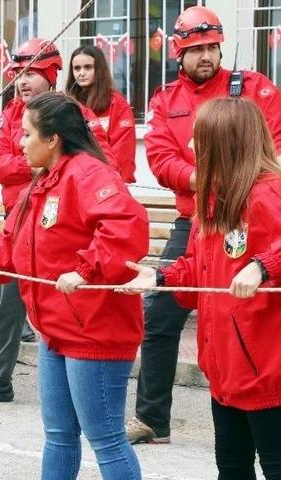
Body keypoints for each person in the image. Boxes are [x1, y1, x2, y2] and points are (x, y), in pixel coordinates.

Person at [0, 92, 147, 480]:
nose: (20, 143)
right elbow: (9, 250)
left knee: (105, 438)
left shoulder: (89, 173)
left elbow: (127, 227)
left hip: (95, 331)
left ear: (53, 138)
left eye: (26, 134)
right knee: (58, 435)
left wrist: (86, 271)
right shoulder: (38, 187)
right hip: (56, 330)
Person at [129, 5, 281, 445]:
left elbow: (268, 147)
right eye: (196, 50)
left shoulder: (255, 88)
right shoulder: (165, 100)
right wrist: (208, 178)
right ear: (179, 53)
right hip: (199, 218)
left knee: (253, 315)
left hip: (252, 213)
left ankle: (260, 393)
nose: (206, 57)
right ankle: (153, 418)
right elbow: (159, 158)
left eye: (212, 47)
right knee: (160, 314)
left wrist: (231, 181)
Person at [119, 97, 281, 479]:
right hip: (225, 370)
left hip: (268, 373)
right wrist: (159, 277)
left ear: (227, 142)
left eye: (199, 139)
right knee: (231, 467)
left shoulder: (268, 193)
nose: (191, 149)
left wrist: (263, 267)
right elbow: (197, 269)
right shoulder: (209, 201)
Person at [0, 38, 114, 404]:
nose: (22, 81)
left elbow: (100, 162)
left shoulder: (73, 114)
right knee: (5, 309)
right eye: (17, 74)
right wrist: (36, 164)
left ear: (50, 75)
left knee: (67, 307)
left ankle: (75, 384)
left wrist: (40, 168)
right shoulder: (11, 115)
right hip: (20, 220)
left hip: (64, 224)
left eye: (31, 74)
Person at [66, 44, 136, 182]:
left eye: (88, 67)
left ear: (99, 69)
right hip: (77, 180)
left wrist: (114, 182)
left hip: (110, 180)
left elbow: (123, 153)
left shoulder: (117, 104)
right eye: (77, 68)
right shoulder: (67, 103)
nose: (81, 73)